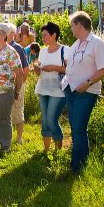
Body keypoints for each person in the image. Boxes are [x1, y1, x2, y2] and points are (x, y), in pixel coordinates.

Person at [62, 11, 104, 173]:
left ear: (79, 25)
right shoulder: (76, 44)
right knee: (75, 127)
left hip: (86, 92)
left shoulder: (97, 43)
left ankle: (77, 167)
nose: (71, 29)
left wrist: (88, 82)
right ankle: (78, 162)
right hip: (71, 90)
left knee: (79, 128)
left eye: (72, 26)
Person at [0, 23, 23, 153]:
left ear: (4, 35)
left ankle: (5, 146)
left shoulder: (11, 52)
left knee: (4, 119)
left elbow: (19, 73)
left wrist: (17, 91)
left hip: (5, 91)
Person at [34, 22, 69, 152]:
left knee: (51, 120)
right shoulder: (43, 51)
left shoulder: (65, 50)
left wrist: (53, 68)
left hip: (58, 91)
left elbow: (70, 70)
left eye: (45, 35)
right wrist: (36, 69)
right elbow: (39, 72)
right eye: (42, 35)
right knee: (45, 120)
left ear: (54, 35)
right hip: (43, 88)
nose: (42, 38)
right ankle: (46, 149)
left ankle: (58, 150)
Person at [7, 23, 29, 144]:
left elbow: (26, 70)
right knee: (6, 113)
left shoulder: (17, 48)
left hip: (17, 85)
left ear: (12, 34)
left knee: (17, 111)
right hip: (3, 87)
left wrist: (19, 86)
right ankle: (7, 138)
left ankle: (19, 138)